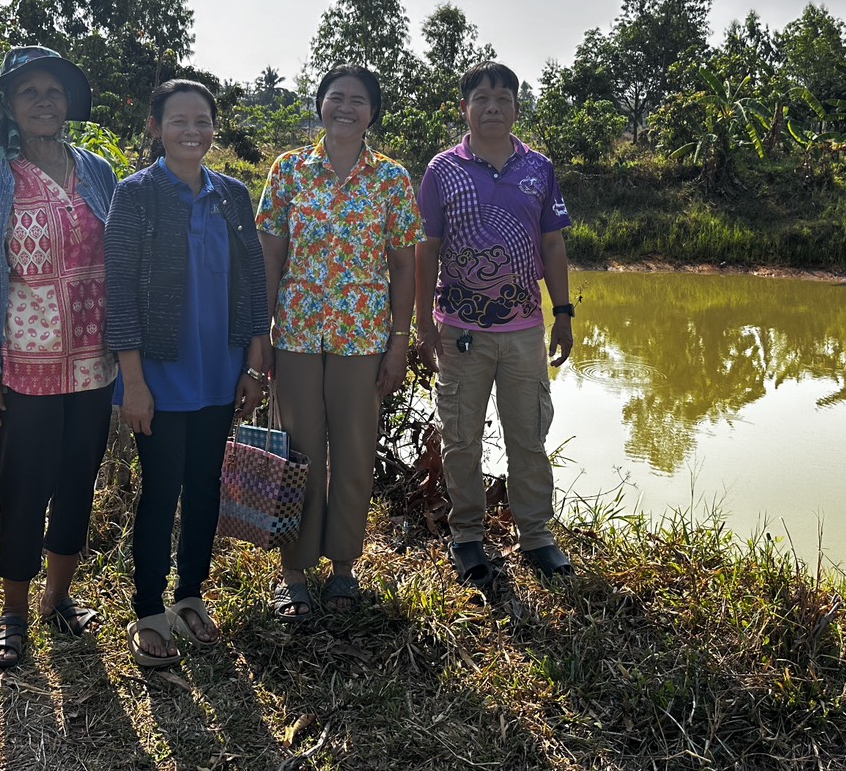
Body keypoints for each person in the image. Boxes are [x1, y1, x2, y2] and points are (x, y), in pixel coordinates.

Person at [0, 45, 120, 668]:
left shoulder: (98, 170)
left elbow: (121, 258)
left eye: (54, 91)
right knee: (24, 487)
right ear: (11, 107)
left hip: (93, 362)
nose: (44, 101)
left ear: (68, 102)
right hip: (25, 360)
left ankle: (59, 599)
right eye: (30, 93)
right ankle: (14, 614)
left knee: (79, 479)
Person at [104, 79, 270, 667]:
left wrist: (255, 363)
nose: (192, 131)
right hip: (159, 374)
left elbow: (253, 283)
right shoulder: (136, 195)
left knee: (204, 488)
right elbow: (118, 292)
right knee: (161, 490)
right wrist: (135, 382)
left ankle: (190, 596)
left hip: (220, 370)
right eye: (179, 120)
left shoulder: (232, 195)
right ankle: (148, 609)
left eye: (202, 120)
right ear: (156, 128)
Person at [257, 65, 421, 619]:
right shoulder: (288, 171)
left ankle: (345, 570)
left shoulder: (392, 179)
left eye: (357, 100)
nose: (345, 107)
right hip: (298, 336)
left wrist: (400, 342)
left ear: (373, 111)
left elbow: (404, 267)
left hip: (363, 339)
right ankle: (293, 575)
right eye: (335, 97)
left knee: (352, 456)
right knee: (299, 455)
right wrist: (262, 338)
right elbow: (270, 259)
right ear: (320, 104)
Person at [414, 61, 575, 586]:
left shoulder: (539, 169)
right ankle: (467, 536)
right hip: (460, 331)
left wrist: (564, 312)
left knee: (528, 435)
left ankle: (537, 537)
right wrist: (422, 323)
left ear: (516, 108)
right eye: (481, 98)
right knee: (461, 437)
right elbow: (427, 249)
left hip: (526, 330)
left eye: (503, 98)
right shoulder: (442, 170)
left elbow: (552, 243)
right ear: (464, 107)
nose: (492, 108)